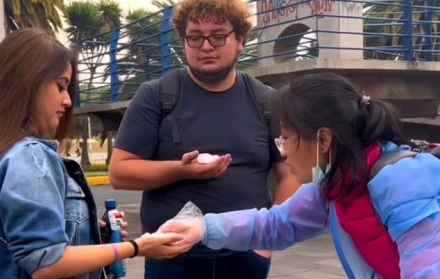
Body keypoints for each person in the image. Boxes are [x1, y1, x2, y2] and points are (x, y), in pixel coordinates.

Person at [159, 73, 440, 279]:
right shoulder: (334, 186)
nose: (282, 151)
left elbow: (429, 267)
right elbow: (276, 224)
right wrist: (201, 228)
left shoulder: (402, 183)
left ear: (323, 140)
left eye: (287, 137)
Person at [108, 0, 299, 278]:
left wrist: (265, 239)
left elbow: (292, 172)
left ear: (240, 40)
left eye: (218, 36)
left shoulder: (266, 101)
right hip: (171, 255)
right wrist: (180, 170)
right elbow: (119, 172)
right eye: (195, 37)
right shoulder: (156, 96)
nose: (206, 46)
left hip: (245, 255)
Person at [0, 28, 188, 279]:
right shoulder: (30, 156)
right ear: (28, 82)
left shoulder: (9, 152)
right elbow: (46, 262)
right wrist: (135, 247)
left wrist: (85, 232)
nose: (67, 101)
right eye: (60, 86)